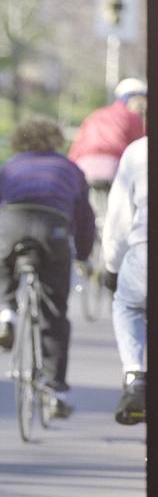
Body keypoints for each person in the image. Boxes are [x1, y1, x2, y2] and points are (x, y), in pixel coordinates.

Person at [0, 116, 96, 418]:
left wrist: (2, 243)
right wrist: (83, 255)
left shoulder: (9, 166)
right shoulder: (69, 168)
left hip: (12, 222)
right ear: (55, 139)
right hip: (53, 228)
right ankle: (56, 390)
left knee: (2, 265)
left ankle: (8, 313)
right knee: (54, 311)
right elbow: (85, 218)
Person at [102, 136, 147, 425]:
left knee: (127, 306)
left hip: (145, 252)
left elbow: (119, 220)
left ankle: (135, 374)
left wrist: (112, 267)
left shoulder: (139, 151)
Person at [68, 77, 147, 187]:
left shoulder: (96, 114)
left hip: (83, 167)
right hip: (114, 167)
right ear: (132, 99)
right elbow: (140, 149)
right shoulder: (133, 118)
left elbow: (77, 146)